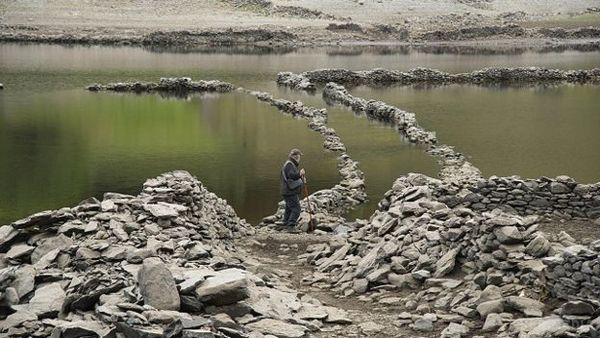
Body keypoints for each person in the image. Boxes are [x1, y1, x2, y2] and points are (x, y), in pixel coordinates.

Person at [280, 148, 306, 229]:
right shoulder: (289, 164)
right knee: (296, 209)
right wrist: (300, 174)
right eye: (299, 156)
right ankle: (291, 226)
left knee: (289, 208)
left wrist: (300, 178)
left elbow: (291, 177)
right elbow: (292, 176)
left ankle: (285, 223)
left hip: (287, 191)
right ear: (296, 156)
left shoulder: (290, 164)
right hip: (289, 191)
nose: (300, 158)